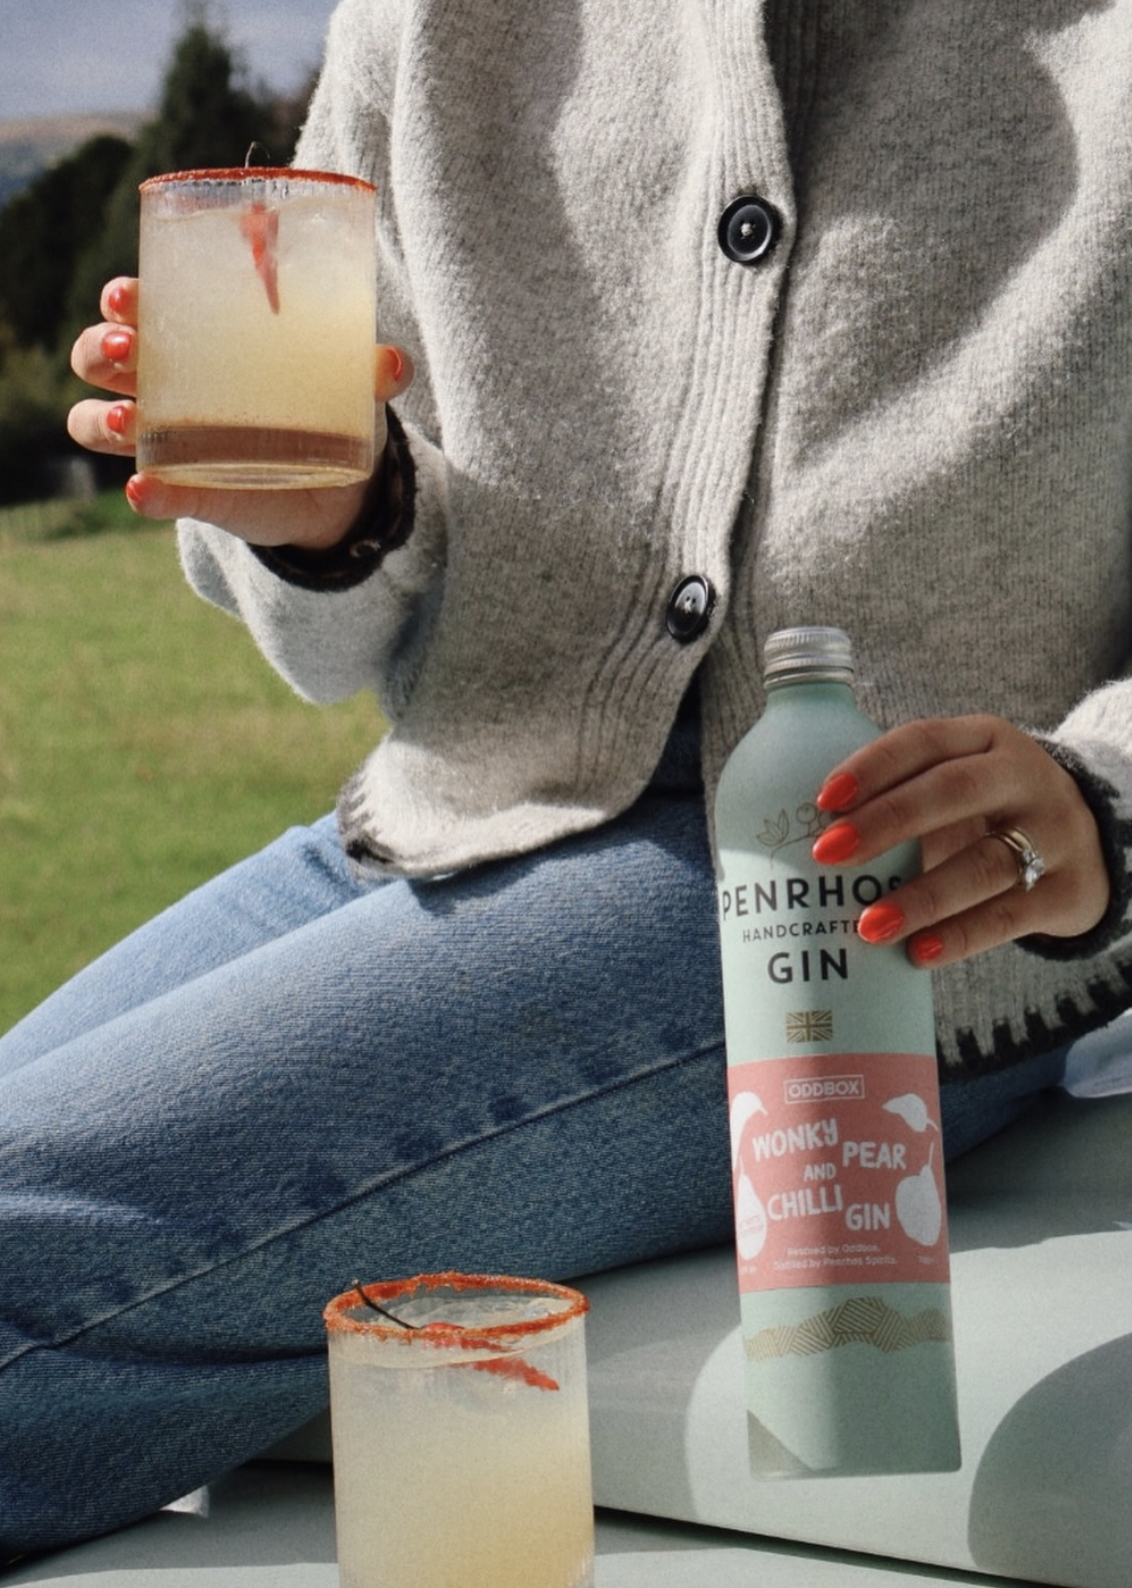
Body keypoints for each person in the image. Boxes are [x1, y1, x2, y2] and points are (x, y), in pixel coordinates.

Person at [4, 0, 1131, 1558]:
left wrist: (1104, 796)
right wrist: (339, 517)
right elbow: (334, 606)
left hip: (860, 940)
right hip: (435, 822)